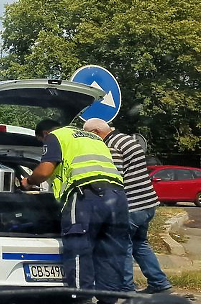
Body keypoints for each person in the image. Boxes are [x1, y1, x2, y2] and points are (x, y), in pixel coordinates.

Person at [20, 119, 130, 302]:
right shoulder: (94, 138)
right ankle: (109, 298)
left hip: (86, 195)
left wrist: (28, 182)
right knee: (111, 250)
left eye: (41, 142)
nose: (44, 145)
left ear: (45, 134)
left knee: (79, 248)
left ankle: (81, 298)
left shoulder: (56, 136)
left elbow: (45, 171)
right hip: (117, 196)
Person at [83, 118, 172, 294]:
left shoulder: (112, 146)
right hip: (148, 203)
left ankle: (126, 287)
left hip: (131, 205)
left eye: (88, 136)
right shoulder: (127, 139)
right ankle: (159, 282)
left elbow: (114, 178)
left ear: (95, 133)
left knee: (122, 247)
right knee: (140, 244)